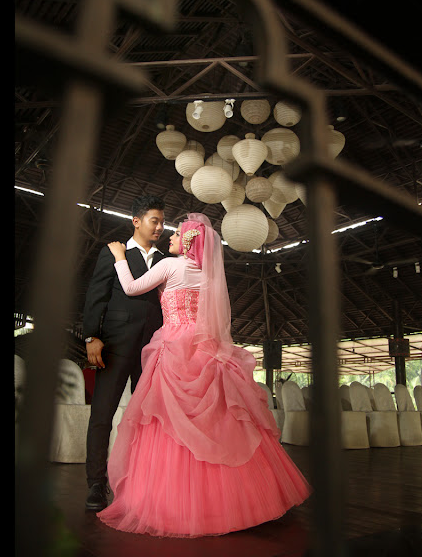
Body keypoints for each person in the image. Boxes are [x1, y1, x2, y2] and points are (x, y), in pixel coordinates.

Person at [97, 212, 311, 537]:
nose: (169, 237)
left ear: (187, 241)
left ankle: (174, 503)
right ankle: (239, 503)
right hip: (205, 348)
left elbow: (130, 287)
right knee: (219, 422)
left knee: (168, 423)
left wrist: (118, 257)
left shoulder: (170, 266)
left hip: (173, 346)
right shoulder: (207, 274)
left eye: (176, 234)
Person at [82, 194, 166, 511]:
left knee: (148, 419)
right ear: (136, 221)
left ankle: (142, 482)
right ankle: (96, 485)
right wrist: (92, 335)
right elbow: (96, 295)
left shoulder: (164, 260)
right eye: (154, 220)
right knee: (102, 415)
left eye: (162, 221)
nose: (159, 226)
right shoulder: (112, 253)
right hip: (115, 345)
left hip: (153, 348)